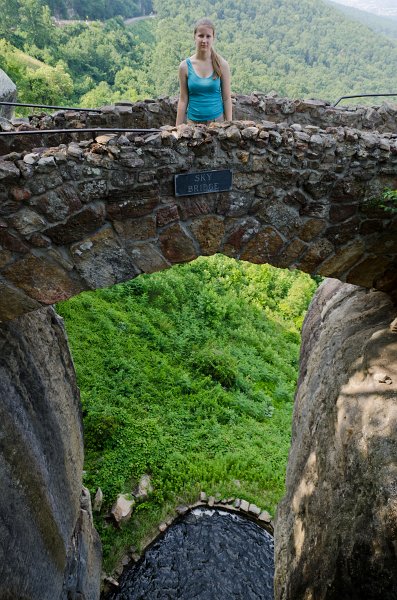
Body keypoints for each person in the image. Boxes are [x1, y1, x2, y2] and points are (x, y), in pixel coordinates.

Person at [175, 18, 232, 126]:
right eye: (201, 35)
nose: (204, 40)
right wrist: (177, 127)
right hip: (193, 124)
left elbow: (226, 98)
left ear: (213, 38)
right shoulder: (184, 67)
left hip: (217, 124)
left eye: (208, 36)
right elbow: (183, 99)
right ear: (194, 37)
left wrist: (229, 125)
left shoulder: (222, 65)